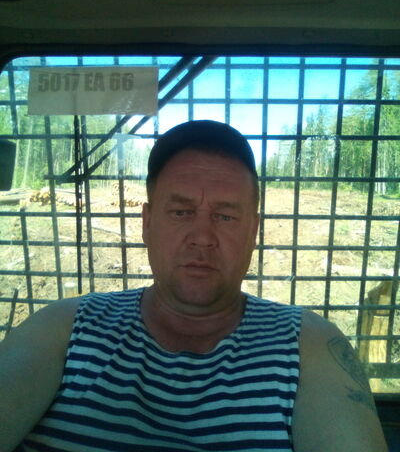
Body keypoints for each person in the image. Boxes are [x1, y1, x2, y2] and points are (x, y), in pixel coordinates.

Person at [0, 120, 387, 452]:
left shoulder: (309, 345)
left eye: (225, 216)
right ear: (147, 224)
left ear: (253, 231)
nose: (202, 237)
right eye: (181, 212)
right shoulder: (65, 328)